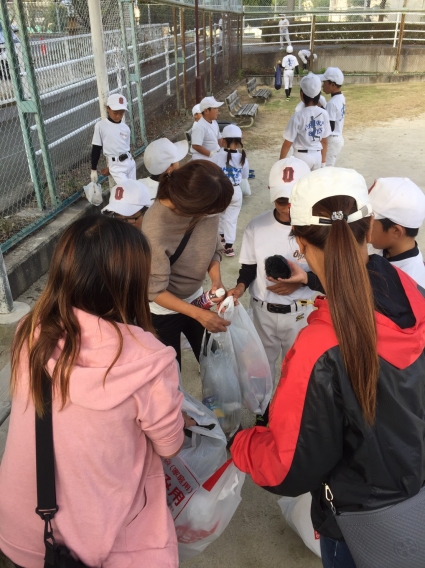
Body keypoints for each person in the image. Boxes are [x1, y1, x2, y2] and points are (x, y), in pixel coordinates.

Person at [231, 167, 425, 568]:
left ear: (299, 242)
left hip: (357, 523)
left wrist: (241, 443)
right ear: (369, 225)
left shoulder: (319, 347)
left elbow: (289, 468)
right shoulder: (414, 294)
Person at [0, 215, 190, 568]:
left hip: (22, 531)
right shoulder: (148, 358)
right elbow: (170, 445)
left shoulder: (32, 329)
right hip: (104, 544)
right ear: (130, 282)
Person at [227, 157, 314, 386]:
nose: (288, 207)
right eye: (282, 200)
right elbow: (248, 267)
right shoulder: (257, 226)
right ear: (271, 193)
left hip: (301, 313)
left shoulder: (316, 230)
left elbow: (329, 278)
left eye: (294, 200)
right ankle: (262, 413)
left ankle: (290, 417)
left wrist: (302, 281)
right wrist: (239, 287)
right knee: (261, 369)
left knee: (297, 370)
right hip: (263, 312)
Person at [142, 160, 234, 368]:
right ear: (192, 208)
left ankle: (215, 400)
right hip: (163, 311)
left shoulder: (208, 206)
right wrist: (199, 315)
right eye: (212, 211)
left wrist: (216, 281)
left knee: (216, 363)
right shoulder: (155, 228)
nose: (214, 215)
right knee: (171, 373)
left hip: (197, 298)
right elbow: (154, 291)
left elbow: (214, 248)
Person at [369, 177, 425, 288]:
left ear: (396, 231)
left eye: (369, 221)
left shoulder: (408, 285)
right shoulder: (384, 244)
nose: (364, 227)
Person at [212, 124, 249, 258]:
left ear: (223, 140)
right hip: (236, 190)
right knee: (231, 219)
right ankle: (229, 246)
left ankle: (221, 236)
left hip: (221, 190)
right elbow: (244, 176)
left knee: (221, 214)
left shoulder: (217, 156)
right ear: (239, 142)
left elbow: (211, 172)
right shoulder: (242, 157)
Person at [280, 73, 330, 170]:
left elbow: (287, 143)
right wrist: (323, 161)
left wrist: (280, 164)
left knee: (301, 184)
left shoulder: (297, 116)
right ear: (319, 94)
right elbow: (325, 141)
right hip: (317, 156)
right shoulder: (324, 114)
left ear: (301, 95)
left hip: (301, 158)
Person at [90, 93, 136, 186]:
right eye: (115, 113)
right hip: (116, 166)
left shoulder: (125, 128)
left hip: (130, 162)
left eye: (121, 113)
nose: (118, 116)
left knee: (134, 190)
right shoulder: (101, 126)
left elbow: (126, 147)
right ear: (108, 108)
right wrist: (93, 169)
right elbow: (96, 148)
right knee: (129, 190)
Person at [319, 67, 346, 166]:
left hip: (332, 140)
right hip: (338, 138)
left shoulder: (332, 103)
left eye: (325, 83)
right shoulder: (341, 97)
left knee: (327, 168)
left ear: (332, 84)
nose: (322, 85)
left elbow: (330, 127)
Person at [191, 96, 224, 161]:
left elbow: (219, 138)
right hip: (203, 159)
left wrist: (225, 149)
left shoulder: (214, 122)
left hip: (214, 155)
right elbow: (195, 145)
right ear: (206, 111)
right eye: (215, 108)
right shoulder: (200, 127)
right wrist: (210, 154)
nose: (217, 111)